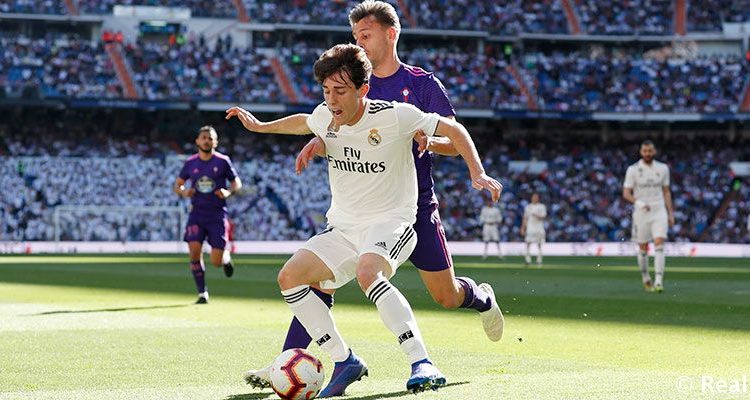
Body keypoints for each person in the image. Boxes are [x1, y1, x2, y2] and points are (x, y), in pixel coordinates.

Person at [245, 2, 505, 388]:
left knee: (446, 296)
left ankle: (480, 299)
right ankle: (292, 362)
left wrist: (429, 142)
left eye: (365, 35)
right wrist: (318, 141)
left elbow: (452, 135)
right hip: (360, 207)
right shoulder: (347, 76)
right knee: (315, 280)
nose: (358, 42)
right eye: (355, 36)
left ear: (390, 34)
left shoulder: (419, 86)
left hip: (412, 207)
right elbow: (332, 123)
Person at [173, 126, 242, 304]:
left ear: (215, 142)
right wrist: (183, 192)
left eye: (210, 138)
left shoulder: (223, 161)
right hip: (196, 213)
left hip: (217, 214)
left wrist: (228, 192)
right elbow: (178, 184)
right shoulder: (190, 163)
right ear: (197, 141)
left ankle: (226, 258)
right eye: (203, 137)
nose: (206, 141)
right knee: (194, 253)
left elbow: (237, 183)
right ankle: (202, 293)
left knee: (216, 261)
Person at [623, 140, 674, 293]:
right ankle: (646, 278)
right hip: (641, 212)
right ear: (641, 152)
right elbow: (626, 193)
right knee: (643, 247)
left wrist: (670, 213)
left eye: (650, 151)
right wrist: (638, 202)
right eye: (645, 151)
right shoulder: (633, 170)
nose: (647, 154)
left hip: (659, 210)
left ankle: (659, 281)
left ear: (654, 151)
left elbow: (666, 191)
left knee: (659, 243)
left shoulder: (663, 168)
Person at [521, 193, 546, 267]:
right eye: (533, 197)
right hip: (530, 228)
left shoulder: (541, 206)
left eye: (536, 197)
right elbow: (525, 218)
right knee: (528, 243)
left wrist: (536, 215)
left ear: (538, 198)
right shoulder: (528, 207)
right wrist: (523, 227)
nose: (534, 198)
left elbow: (543, 216)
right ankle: (528, 259)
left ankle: (539, 260)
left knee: (539, 244)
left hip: (539, 228)